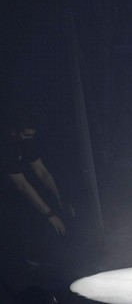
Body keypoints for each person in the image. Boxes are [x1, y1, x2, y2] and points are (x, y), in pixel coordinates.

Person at [0, 111, 75, 267]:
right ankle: (25, 263)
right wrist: (49, 214)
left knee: (42, 206)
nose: (30, 138)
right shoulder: (6, 148)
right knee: (22, 218)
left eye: (32, 135)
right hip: (6, 190)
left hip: (16, 183)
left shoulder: (27, 141)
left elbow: (42, 171)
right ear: (14, 132)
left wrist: (58, 197)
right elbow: (22, 186)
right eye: (26, 135)